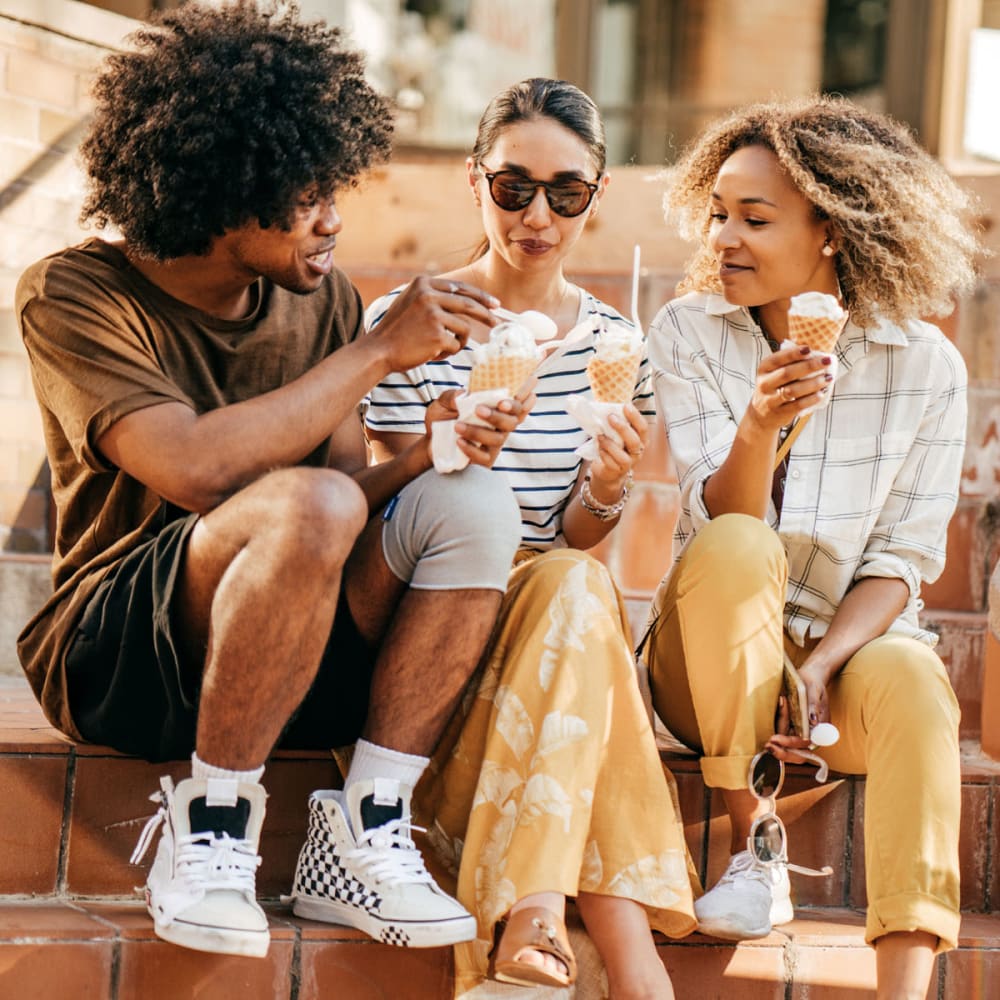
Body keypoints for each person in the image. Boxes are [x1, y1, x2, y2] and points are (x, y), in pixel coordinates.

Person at [15, 1, 526, 961]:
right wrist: (376, 353)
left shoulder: (322, 299)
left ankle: (365, 826)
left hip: (287, 646)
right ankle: (212, 831)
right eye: (305, 195)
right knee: (312, 502)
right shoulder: (75, 293)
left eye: (336, 186)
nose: (334, 219)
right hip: (119, 656)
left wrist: (423, 456)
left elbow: (343, 496)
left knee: (470, 502)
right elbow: (194, 469)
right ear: (221, 188)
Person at [642, 95, 980, 1000]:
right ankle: (752, 846)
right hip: (704, 656)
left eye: (754, 219)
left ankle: (907, 980)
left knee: (914, 678)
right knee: (743, 545)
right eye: (718, 215)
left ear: (831, 229)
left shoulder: (925, 366)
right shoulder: (690, 331)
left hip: (839, 652)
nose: (724, 239)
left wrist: (827, 658)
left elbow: (901, 561)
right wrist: (760, 421)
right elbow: (716, 522)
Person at [366, 78, 697, 999]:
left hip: (548, 608)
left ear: (595, 196)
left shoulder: (613, 346)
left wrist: (608, 482)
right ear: (476, 183)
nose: (537, 215)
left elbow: (580, 539)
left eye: (566, 192)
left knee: (577, 587)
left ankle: (539, 921)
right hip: (434, 622)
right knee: (581, 599)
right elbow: (378, 517)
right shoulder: (409, 325)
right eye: (514, 187)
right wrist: (442, 447)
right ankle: (633, 966)